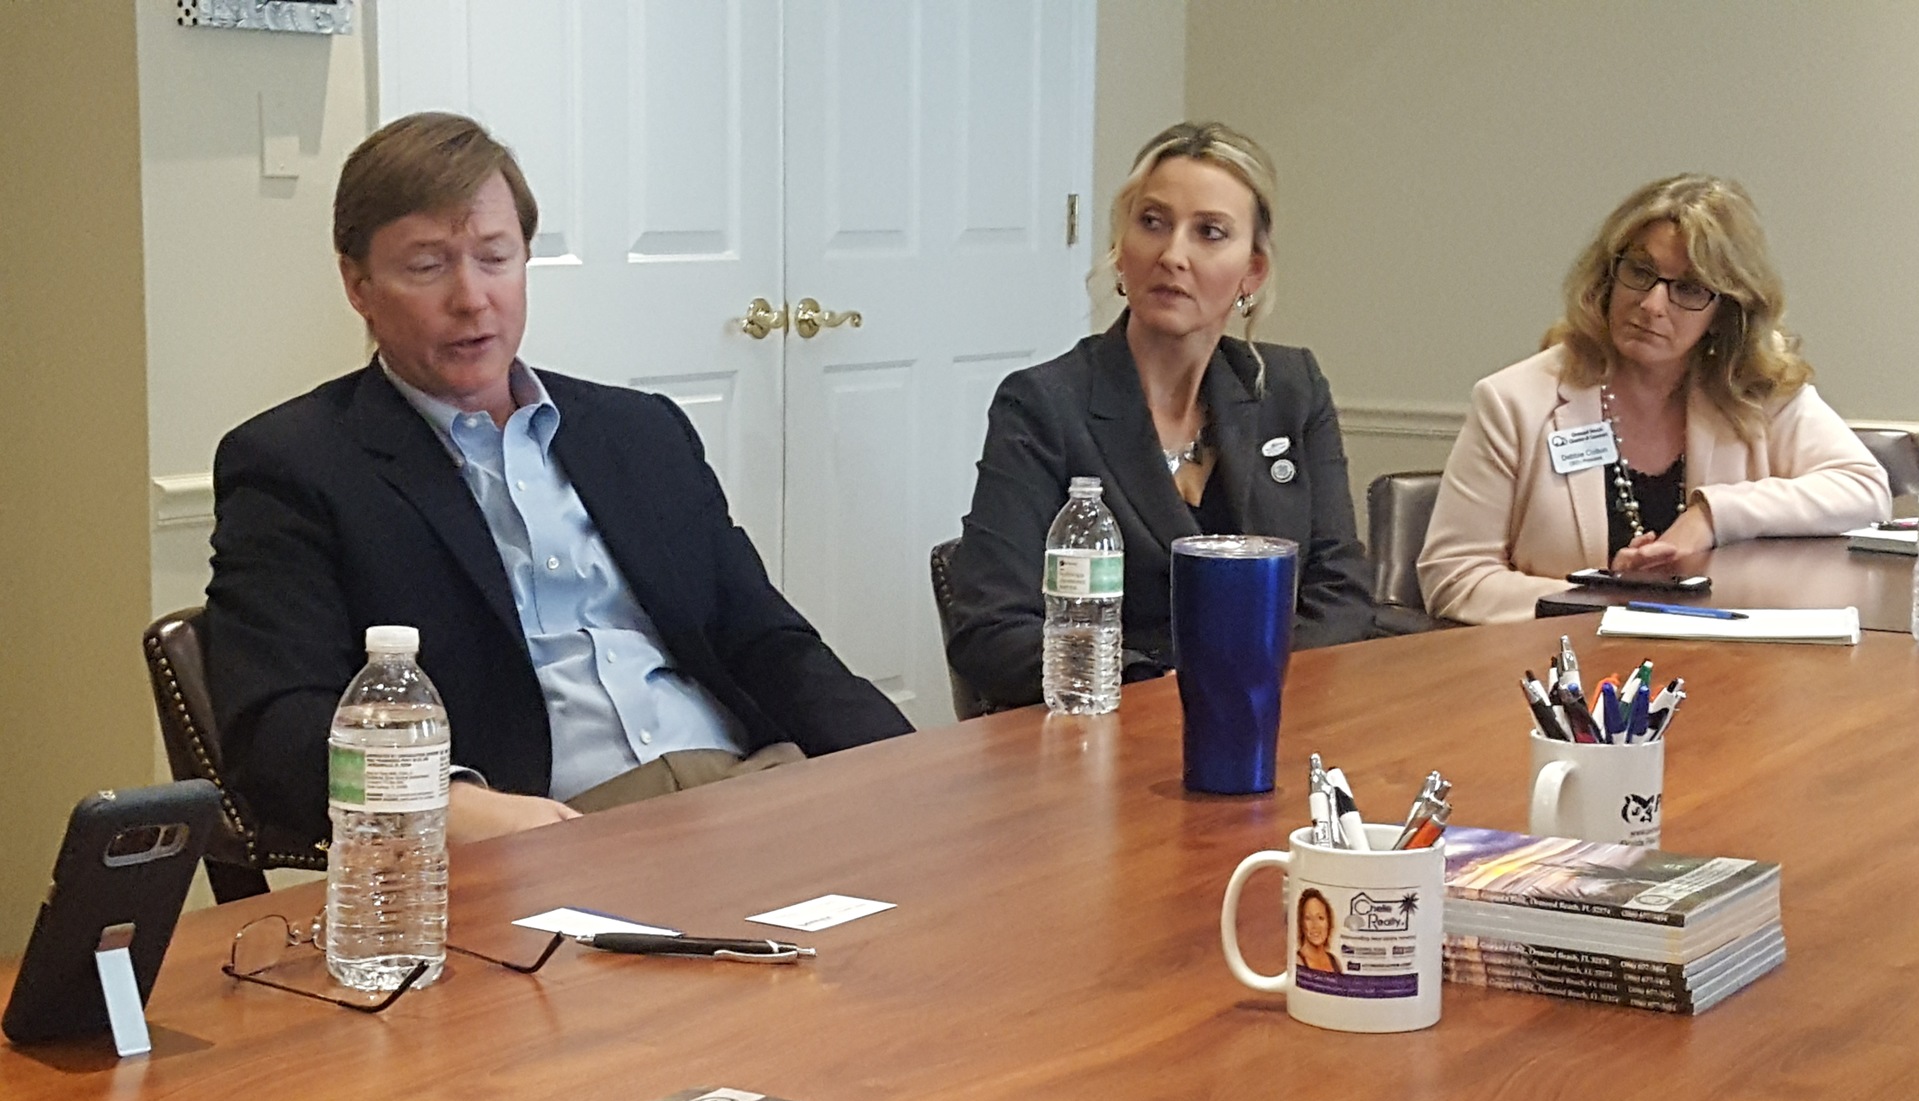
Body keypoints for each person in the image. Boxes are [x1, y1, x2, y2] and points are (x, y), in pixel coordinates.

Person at [205, 112, 913, 848]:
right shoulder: (298, 464)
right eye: (427, 266)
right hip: (550, 836)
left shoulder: (639, 432)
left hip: (750, 790)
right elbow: (278, 734)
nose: (472, 298)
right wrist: (456, 809)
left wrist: (916, 767)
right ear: (358, 284)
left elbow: (767, 640)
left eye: (494, 257)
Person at [946, 122, 1375, 709]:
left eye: (1210, 233)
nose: (1173, 254)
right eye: (1152, 223)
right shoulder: (1044, 405)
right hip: (1109, 727)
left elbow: (1340, 593)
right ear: (1122, 249)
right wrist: (1159, 688)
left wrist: (1246, 687)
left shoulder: (1290, 387)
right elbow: (992, 629)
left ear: (1251, 273)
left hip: (1274, 716)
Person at [1418, 174, 1890, 625]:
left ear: (1726, 311)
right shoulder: (1514, 402)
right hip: (1566, 675)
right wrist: (1604, 602)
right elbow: (1455, 576)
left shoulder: (1753, 392)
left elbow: (1865, 490)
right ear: (1606, 277)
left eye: (1687, 288)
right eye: (1640, 272)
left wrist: (1711, 515)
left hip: (1727, 666)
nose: (1652, 304)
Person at [1296, 888, 1339, 973]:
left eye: (1320, 918)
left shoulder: (1335, 961)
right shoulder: (1296, 962)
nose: (1315, 926)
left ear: (1328, 922)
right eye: (1308, 918)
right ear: (1301, 923)